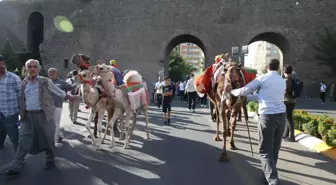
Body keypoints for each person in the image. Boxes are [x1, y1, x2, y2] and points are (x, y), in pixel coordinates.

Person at [3, 59, 74, 177]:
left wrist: (70, 97)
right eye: (29, 67)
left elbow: (58, 92)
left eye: (34, 66)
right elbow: (21, 99)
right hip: (28, 116)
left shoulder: (45, 81)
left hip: (44, 115)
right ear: (26, 69)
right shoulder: (23, 83)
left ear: (39, 69)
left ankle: (50, 160)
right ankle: (16, 166)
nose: (32, 69)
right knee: (23, 141)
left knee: (48, 139)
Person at [230, 59, 286, 185]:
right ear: (278, 68)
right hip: (281, 117)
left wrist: (232, 92)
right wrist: (248, 98)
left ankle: (273, 181)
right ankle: (267, 174)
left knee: (265, 150)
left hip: (268, 116)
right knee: (274, 148)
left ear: (267, 67)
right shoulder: (281, 80)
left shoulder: (262, 79)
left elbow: (244, 90)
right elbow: (262, 96)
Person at [48, 68, 75, 144]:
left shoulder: (62, 82)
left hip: (57, 106)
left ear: (56, 73)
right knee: (49, 124)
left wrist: (79, 83)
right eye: (50, 72)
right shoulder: (45, 82)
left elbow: (71, 87)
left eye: (53, 72)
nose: (51, 73)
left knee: (56, 124)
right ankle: (60, 135)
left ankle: (54, 141)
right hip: (47, 107)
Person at [0, 55, 21, 152]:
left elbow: (21, 95)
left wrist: (22, 112)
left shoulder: (13, 78)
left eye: (1, 63)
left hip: (10, 113)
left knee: (14, 136)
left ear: (4, 63)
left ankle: (19, 158)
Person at [282, 65, 296, 142]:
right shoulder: (293, 79)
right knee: (288, 118)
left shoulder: (285, 80)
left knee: (288, 119)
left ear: (284, 72)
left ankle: (292, 136)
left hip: (287, 101)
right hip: (292, 101)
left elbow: (283, 91)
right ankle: (286, 134)